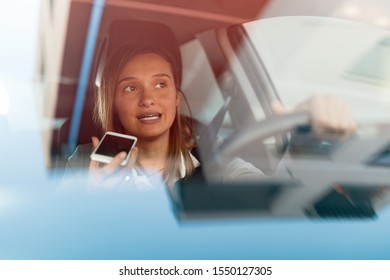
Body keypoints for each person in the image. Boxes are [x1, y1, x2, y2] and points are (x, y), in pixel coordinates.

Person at [61, 43, 356, 192]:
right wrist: (89, 201)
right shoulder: (84, 162)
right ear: (113, 103)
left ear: (176, 98)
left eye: (161, 84)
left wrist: (303, 150)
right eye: (130, 87)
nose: (148, 98)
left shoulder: (218, 163)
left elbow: (268, 200)